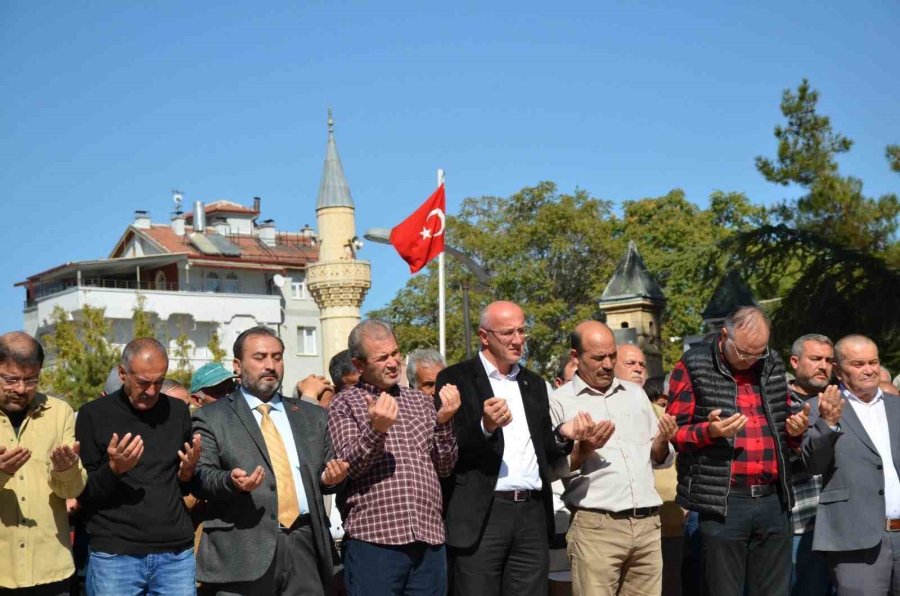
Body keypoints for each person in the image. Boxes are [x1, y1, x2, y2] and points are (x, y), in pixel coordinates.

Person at [435, 300, 580, 596]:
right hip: (482, 513)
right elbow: (446, 449)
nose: (518, 340)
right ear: (484, 335)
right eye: (508, 332)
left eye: (522, 331)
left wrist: (564, 436)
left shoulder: (535, 384)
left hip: (532, 514)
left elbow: (544, 452)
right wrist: (485, 428)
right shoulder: (456, 379)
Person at [192, 326, 348, 595]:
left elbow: (324, 473)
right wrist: (230, 481)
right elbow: (200, 476)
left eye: (277, 357)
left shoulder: (311, 416)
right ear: (238, 366)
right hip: (243, 549)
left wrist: (330, 478)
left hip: (305, 545)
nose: (270, 365)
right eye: (260, 357)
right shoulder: (212, 417)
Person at [666, 306, 809, 596]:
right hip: (724, 501)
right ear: (724, 335)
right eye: (744, 352)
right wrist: (710, 431)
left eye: (759, 351)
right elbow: (675, 434)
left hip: (773, 498)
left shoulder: (771, 362)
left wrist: (795, 432)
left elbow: (781, 432)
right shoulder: (694, 364)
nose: (752, 359)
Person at [328, 319, 460, 595]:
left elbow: (445, 467)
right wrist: (377, 430)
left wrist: (444, 422)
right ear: (360, 365)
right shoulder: (345, 402)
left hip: (428, 536)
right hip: (375, 540)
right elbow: (350, 467)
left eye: (395, 353)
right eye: (382, 357)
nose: (393, 363)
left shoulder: (421, 401)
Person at [551, 321, 675, 596]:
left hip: (647, 525)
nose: (608, 364)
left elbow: (658, 459)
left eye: (612, 356)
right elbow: (551, 469)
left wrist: (662, 440)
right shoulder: (559, 402)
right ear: (575, 357)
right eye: (598, 357)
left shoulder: (635, 394)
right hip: (597, 528)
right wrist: (583, 450)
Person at [75, 338, 201, 595]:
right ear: (123, 374)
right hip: (116, 556)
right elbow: (84, 493)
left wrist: (187, 471)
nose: (152, 391)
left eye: (159, 381)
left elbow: (181, 483)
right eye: (143, 382)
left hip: (175, 555)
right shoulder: (93, 415)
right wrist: (113, 469)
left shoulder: (178, 411)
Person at [802, 335, 900, 595]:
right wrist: (829, 424)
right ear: (838, 368)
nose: (869, 370)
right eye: (858, 364)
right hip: (855, 539)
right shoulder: (817, 409)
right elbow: (813, 464)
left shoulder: (897, 406)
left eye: (873, 362)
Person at [0, 332, 86, 596]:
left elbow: (72, 491)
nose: (21, 389)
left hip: (51, 568)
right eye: (11, 379)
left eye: (31, 380)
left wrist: (66, 470)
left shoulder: (59, 412)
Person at [787, 334, 834, 596]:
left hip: (844, 526)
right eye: (815, 359)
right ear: (795, 361)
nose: (823, 366)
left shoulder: (843, 400)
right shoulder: (777, 402)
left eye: (829, 360)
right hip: (802, 525)